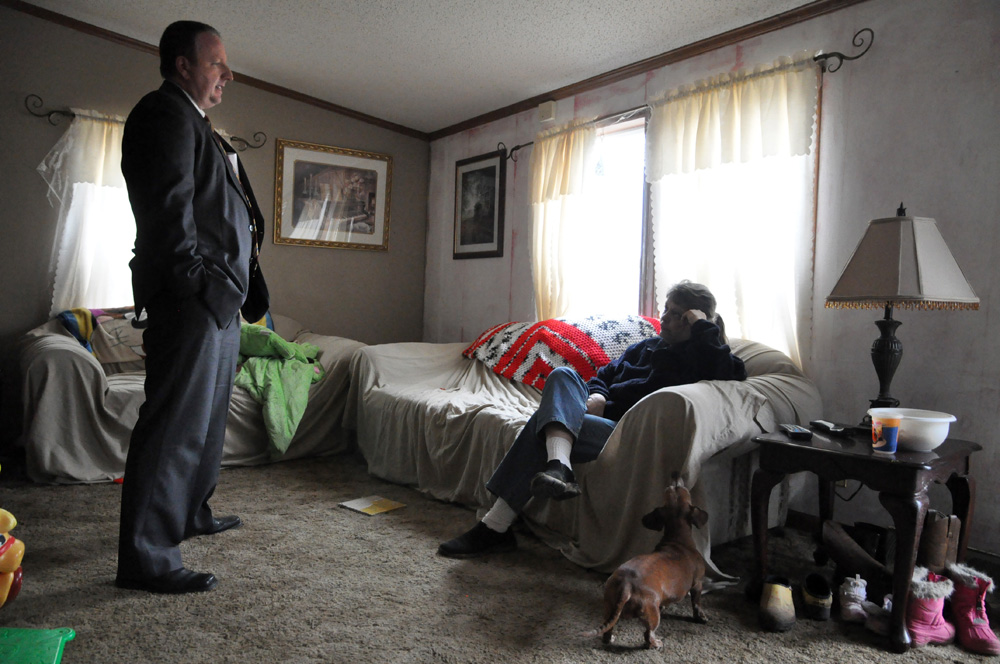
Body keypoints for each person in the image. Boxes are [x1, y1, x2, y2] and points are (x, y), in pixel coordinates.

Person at [116, 20, 268, 594]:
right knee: (174, 425)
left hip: (220, 298)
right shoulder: (164, 114)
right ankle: (147, 558)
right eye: (216, 63)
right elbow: (168, 214)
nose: (227, 73)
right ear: (183, 64)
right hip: (194, 298)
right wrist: (201, 286)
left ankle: (191, 513)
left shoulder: (200, 124)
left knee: (206, 421)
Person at [438, 281, 746, 558]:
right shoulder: (645, 347)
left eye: (678, 314)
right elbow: (602, 376)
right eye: (666, 309)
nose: (665, 317)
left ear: (696, 320)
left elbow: (730, 372)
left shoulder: (703, 358)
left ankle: (497, 524)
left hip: (624, 431)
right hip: (593, 418)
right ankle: (558, 468)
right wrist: (597, 396)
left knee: (542, 425)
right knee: (562, 375)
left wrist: (703, 329)